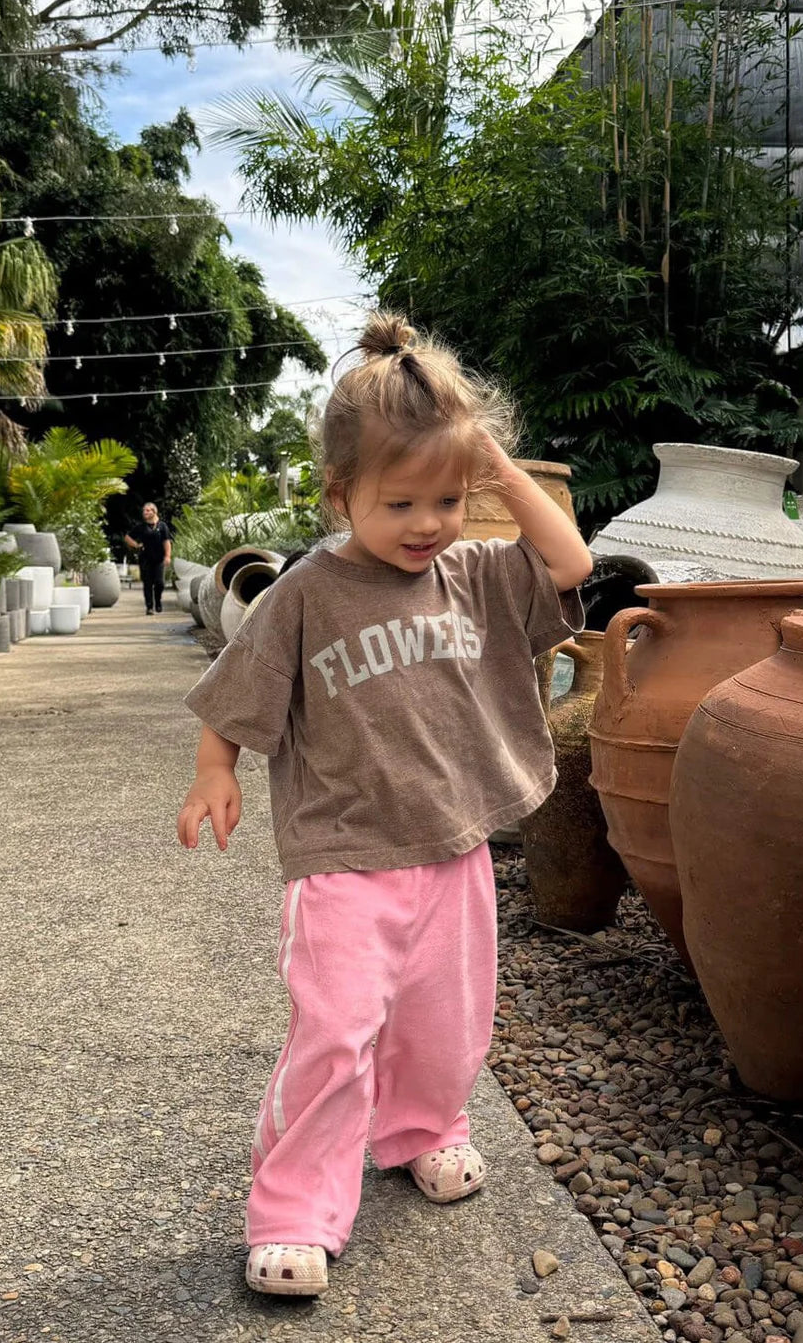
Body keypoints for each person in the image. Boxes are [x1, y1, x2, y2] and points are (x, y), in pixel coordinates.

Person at [176, 313, 593, 1299]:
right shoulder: (307, 593)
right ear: (339, 494)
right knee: (336, 1031)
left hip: (451, 852)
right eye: (398, 500)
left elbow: (571, 564)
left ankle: (423, 1130)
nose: (425, 523)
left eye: (447, 499)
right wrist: (214, 770)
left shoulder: (476, 575)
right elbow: (235, 695)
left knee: (446, 1026)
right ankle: (291, 1209)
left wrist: (485, 458)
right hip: (342, 858)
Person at [124, 503, 172, 614]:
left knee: (160, 583)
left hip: (159, 559)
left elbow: (166, 542)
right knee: (148, 583)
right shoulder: (141, 527)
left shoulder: (162, 526)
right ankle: (149, 607)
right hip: (145, 559)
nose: (145, 512)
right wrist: (136, 545)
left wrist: (168, 556)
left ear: (154, 512)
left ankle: (158, 601)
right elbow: (127, 537)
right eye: (144, 510)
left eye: (147, 510)